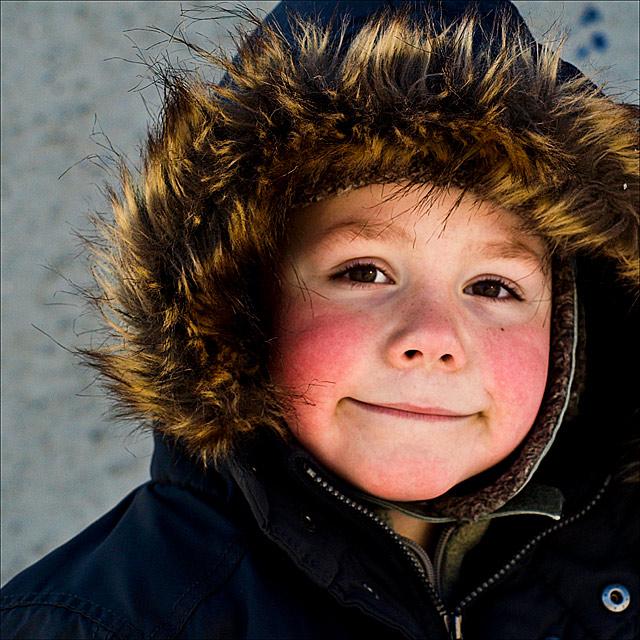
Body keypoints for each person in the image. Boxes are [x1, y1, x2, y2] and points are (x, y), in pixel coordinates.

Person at [1, 1, 638, 638]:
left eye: (493, 286)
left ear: (571, 333)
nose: (433, 339)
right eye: (364, 272)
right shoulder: (101, 624)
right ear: (238, 302)